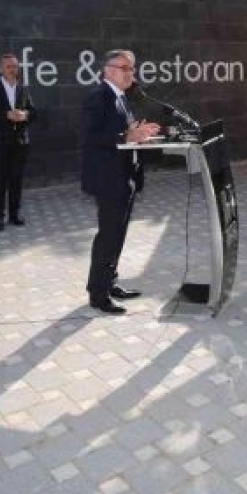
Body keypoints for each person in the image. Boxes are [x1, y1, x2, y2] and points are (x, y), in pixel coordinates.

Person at [80, 50, 159, 315]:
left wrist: (138, 134)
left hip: (125, 176)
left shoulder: (121, 97)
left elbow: (122, 133)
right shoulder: (98, 97)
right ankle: (98, 294)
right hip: (108, 178)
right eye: (126, 68)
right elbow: (92, 137)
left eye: (132, 68)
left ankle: (110, 283)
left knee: (118, 234)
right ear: (109, 70)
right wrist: (127, 136)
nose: (131, 73)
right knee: (108, 236)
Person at [0, 53, 36, 231]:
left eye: (15, 66)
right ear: (1, 69)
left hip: (20, 142)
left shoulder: (23, 89)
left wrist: (25, 115)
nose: (12, 70)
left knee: (16, 180)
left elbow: (33, 112)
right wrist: (5, 115)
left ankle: (14, 214)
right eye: (9, 67)